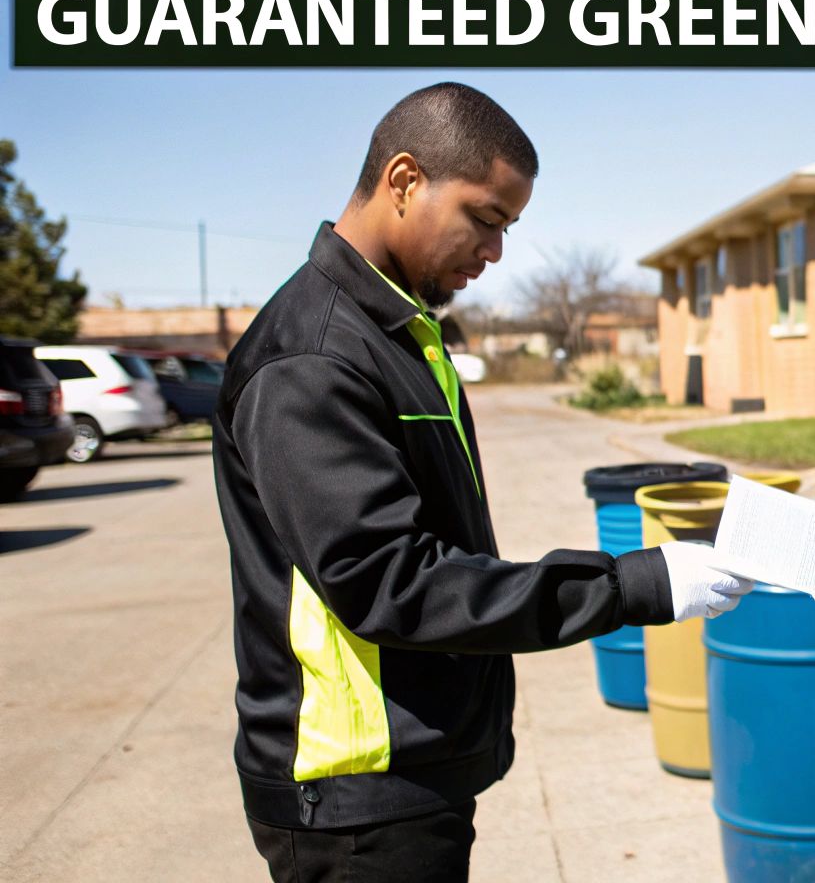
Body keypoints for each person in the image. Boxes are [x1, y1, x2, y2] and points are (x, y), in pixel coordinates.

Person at [213, 83, 749, 883]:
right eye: (485, 219)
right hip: (357, 796)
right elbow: (392, 583)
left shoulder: (396, 336)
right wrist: (631, 585)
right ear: (402, 180)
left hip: (412, 773)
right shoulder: (313, 361)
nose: (495, 253)